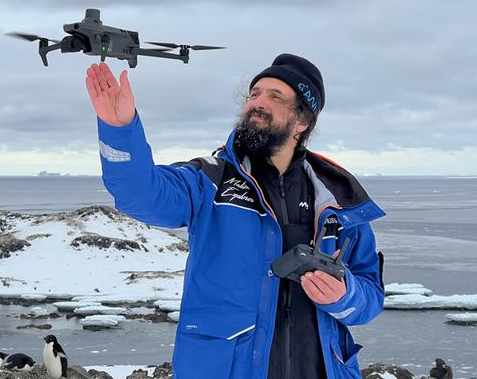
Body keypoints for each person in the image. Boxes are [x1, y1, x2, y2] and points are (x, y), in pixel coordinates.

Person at [84, 54, 385, 379]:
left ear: (302, 122)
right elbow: (139, 195)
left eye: (275, 96)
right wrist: (119, 129)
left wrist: (343, 295)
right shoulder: (210, 180)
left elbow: (369, 298)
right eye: (254, 94)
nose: (257, 103)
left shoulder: (337, 198)